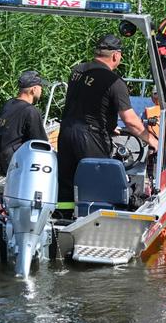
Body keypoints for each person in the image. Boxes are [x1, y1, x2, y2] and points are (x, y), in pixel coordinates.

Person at [57, 34, 158, 202]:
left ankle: (63, 216)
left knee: (68, 180)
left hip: (66, 131)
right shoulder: (114, 81)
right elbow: (130, 120)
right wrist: (152, 140)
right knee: (98, 181)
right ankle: (96, 216)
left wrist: (109, 125)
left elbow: (86, 101)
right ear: (115, 55)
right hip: (89, 137)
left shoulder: (78, 71)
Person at [0, 70, 48, 174]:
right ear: (34, 89)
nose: (42, 90)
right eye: (41, 87)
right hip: (17, 165)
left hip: (4, 161)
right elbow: (41, 144)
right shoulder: (31, 111)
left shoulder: (9, 103)